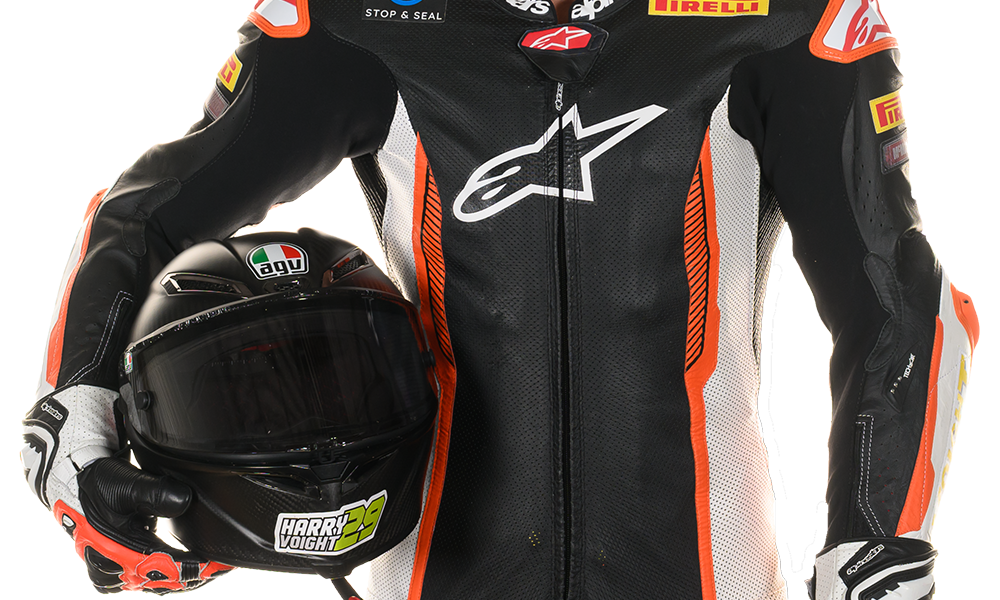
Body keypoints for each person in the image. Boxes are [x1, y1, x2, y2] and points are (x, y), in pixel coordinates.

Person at [18, 1, 978, 599]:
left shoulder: (788, 23)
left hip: (710, 575)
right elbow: (146, 219)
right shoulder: (353, 22)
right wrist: (75, 415)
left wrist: (875, 548)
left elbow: (899, 301)